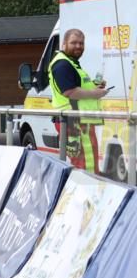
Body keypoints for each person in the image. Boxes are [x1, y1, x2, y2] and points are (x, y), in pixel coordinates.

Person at [48, 29, 108, 173]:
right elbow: (70, 92)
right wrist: (96, 93)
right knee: (87, 167)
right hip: (75, 122)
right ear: (64, 44)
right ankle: (89, 194)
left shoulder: (70, 63)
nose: (78, 46)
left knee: (86, 165)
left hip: (77, 121)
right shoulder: (63, 64)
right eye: (73, 42)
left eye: (81, 43)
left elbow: (76, 87)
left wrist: (93, 85)